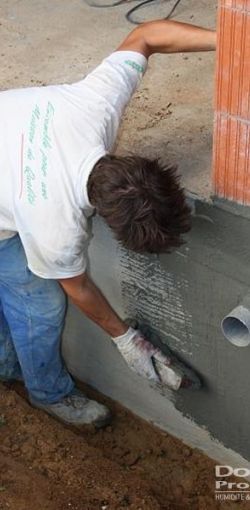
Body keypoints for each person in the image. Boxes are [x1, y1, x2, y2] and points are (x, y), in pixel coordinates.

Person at [0, 19, 216, 427]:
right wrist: (126, 339)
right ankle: (49, 394)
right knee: (39, 306)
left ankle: (6, 364)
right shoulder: (55, 226)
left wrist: (233, 40)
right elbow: (77, 286)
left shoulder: (95, 103)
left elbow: (147, 35)